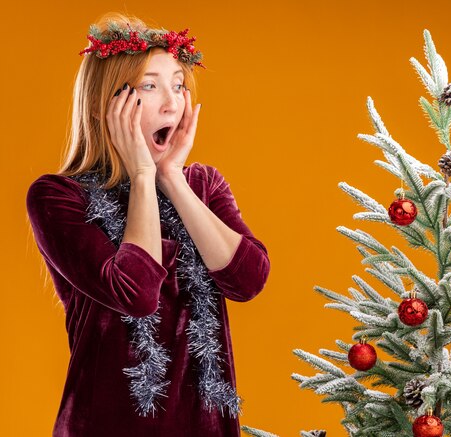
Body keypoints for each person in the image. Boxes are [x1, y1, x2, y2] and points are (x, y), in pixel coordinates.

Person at [25, 12, 270, 437]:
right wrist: (141, 176)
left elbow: (248, 279)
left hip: (206, 425)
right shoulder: (57, 197)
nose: (173, 103)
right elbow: (135, 293)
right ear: (107, 104)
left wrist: (171, 178)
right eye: (150, 86)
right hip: (106, 423)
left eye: (178, 85)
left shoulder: (203, 184)